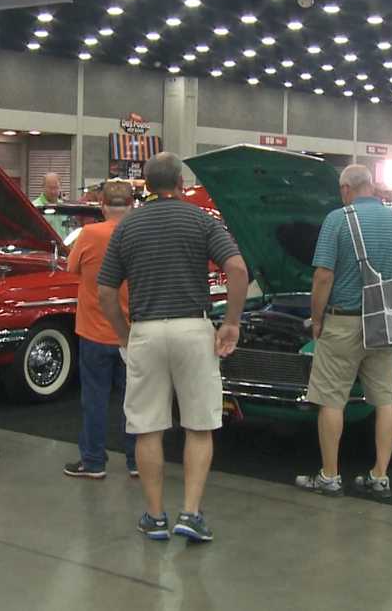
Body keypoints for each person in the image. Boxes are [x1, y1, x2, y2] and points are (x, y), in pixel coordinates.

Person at [97, 152, 249, 543]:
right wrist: (231, 322)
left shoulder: (127, 227)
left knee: (148, 428)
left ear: (145, 186)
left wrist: (123, 333)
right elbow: (237, 269)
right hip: (193, 330)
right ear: (181, 183)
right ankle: (191, 514)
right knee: (199, 425)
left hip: (146, 330)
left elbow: (106, 290)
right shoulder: (201, 219)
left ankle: (154, 516)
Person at [296, 165, 392, 500]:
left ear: (347, 188)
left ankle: (330, 476)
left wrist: (316, 319)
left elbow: (323, 277)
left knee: (331, 399)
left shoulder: (337, 219)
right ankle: (379, 476)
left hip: (343, 322)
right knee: (385, 399)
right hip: (384, 324)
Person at [63, 180, 137, 480]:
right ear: (131, 205)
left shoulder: (89, 234)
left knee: (94, 399)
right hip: (131, 333)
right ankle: (136, 461)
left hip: (93, 331)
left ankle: (93, 461)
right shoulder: (139, 234)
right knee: (133, 401)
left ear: (103, 205)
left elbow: (71, 268)